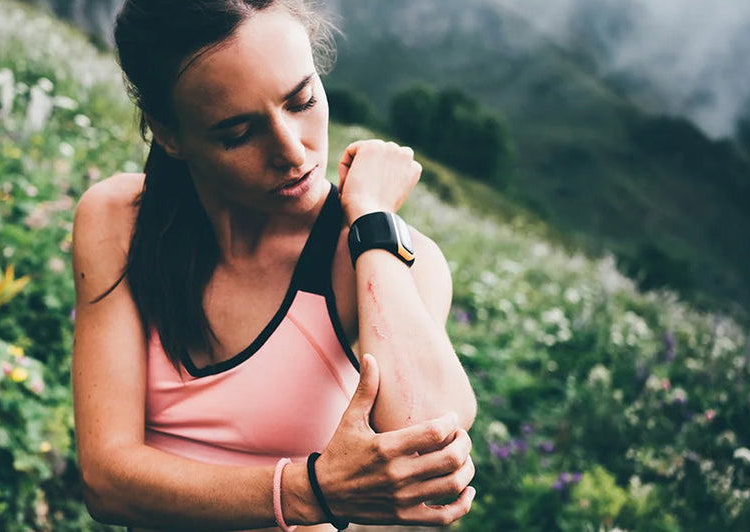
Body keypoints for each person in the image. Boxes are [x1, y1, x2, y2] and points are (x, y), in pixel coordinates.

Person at [70, 1, 477, 530]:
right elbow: (107, 483)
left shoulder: (380, 259)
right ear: (167, 133)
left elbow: (430, 445)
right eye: (237, 133)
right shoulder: (119, 222)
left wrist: (372, 220)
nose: (293, 152)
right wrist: (312, 491)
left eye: (302, 100)